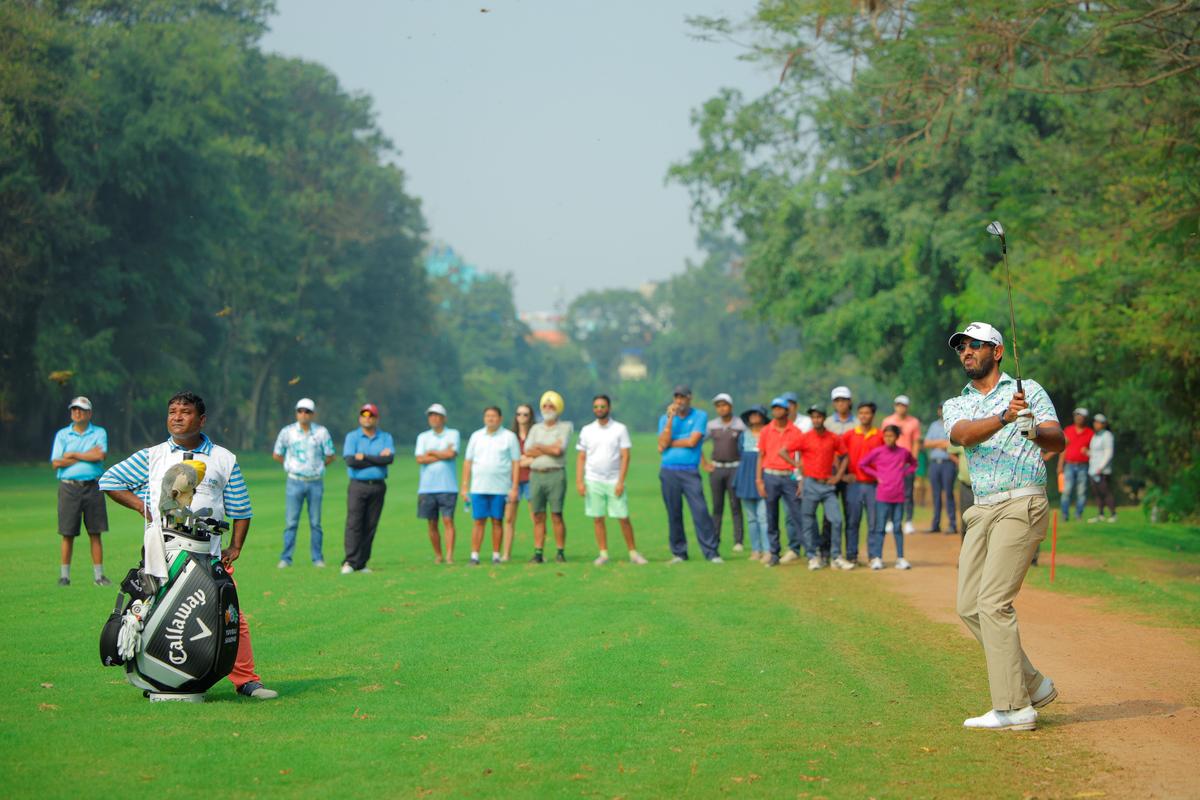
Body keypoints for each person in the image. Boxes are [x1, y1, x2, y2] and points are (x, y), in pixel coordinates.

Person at [99, 391, 277, 699]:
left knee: (229, 615)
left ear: (201, 419)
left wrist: (235, 546)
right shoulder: (152, 456)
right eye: (172, 412)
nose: (177, 417)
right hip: (163, 552)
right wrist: (144, 508)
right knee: (156, 614)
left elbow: (241, 509)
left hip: (208, 554)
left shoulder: (223, 458)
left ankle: (246, 680)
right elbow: (110, 481)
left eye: (185, 412)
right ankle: (158, 678)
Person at [943, 321, 1065, 731]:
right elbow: (962, 436)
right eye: (961, 347)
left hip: (1022, 501)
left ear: (996, 351)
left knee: (993, 602)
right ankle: (1033, 684)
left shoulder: (1027, 389)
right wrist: (1003, 416)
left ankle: (1015, 708)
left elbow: (1056, 439)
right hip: (981, 509)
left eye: (975, 346)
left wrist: (1032, 427)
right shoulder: (956, 403)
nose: (966, 352)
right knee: (968, 606)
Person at [575, 394, 647, 565]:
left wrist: (621, 481)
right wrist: (579, 481)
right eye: (596, 407)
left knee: (623, 516)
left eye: (602, 406)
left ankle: (633, 553)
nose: (599, 410)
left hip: (614, 480)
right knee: (598, 517)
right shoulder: (587, 430)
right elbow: (581, 457)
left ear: (609, 408)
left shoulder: (620, 429)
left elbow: (625, 455)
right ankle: (603, 554)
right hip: (593, 479)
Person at [657, 385, 721, 563]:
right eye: (676, 398)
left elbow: (693, 442)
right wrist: (670, 419)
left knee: (700, 511)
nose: (679, 401)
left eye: (682, 397)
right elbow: (661, 443)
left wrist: (670, 443)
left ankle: (711, 552)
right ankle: (679, 552)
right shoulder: (665, 418)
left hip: (689, 471)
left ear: (689, 398)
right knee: (674, 512)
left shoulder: (699, 416)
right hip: (669, 470)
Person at [50, 396, 110, 586]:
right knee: (67, 533)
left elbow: (100, 455)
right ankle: (64, 576)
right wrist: (87, 456)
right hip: (69, 487)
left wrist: (73, 454)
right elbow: (56, 462)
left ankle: (99, 576)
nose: (77, 412)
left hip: (93, 486)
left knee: (95, 532)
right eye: (74, 409)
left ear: (89, 413)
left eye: (82, 410)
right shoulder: (62, 435)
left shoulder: (99, 432)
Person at [272, 398, 336, 569]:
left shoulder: (321, 432)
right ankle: (286, 558)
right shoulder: (287, 432)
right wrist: (289, 465)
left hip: (315, 482)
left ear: (312, 414)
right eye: (300, 411)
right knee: (291, 522)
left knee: (315, 523)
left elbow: (330, 455)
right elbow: (277, 453)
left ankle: (317, 558)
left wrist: (318, 467)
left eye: (307, 411)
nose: (303, 414)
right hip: (294, 481)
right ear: (296, 412)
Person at [461, 407, 520, 566]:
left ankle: (496, 555)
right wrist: (465, 486)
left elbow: (516, 462)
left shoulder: (509, 437)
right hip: (479, 486)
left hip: (500, 487)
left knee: (497, 521)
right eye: (487, 416)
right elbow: (467, 462)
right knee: (478, 521)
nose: (490, 419)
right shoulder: (476, 436)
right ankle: (474, 555)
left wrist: (514, 486)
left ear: (500, 418)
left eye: (493, 416)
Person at [794, 406, 850, 571]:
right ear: (811, 419)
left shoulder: (832, 437)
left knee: (837, 520)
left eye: (819, 417)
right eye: (814, 417)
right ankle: (812, 556)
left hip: (827, 484)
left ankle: (836, 556)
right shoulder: (805, 437)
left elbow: (845, 455)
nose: (816, 420)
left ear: (824, 418)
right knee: (808, 521)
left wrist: (839, 476)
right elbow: (785, 451)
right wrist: (797, 466)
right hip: (810, 483)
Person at [341, 403, 394, 574]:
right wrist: (376, 458)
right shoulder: (352, 437)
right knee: (354, 523)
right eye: (364, 415)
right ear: (360, 418)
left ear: (376, 419)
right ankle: (350, 561)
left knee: (370, 525)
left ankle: (362, 563)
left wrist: (363, 457)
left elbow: (388, 460)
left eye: (370, 416)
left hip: (377, 486)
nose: (367, 418)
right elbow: (351, 461)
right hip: (358, 485)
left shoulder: (385, 437)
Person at [755, 397, 806, 567]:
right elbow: (761, 456)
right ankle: (774, 553)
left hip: (789, 476)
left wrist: (800, 480)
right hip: (770, 475)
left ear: (787, 411)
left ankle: (809, 551)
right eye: (774, 408)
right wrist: (759, 479)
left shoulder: (796, 431)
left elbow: (799, 457)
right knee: (771, 516)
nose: (776, 411)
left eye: (780, 408)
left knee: (797, 514)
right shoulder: (766, 431)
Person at [859, 425, 917, 570]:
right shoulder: (878, 452)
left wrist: (903, 473)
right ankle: (878, 558)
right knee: (880, 527)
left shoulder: (903, 452)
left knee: (897, 527)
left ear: (897, 437)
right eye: (886, 436)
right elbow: (862, 464)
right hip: (882, 496)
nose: (888, 439)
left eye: (891, 436)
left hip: (898, 496)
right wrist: (876, 475)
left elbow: (914, 464)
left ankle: (900, 558)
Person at [525, 391, 573, 563]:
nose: (547, 409)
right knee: (538, 515)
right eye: (545, 406)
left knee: (556, 514)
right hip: (536, 474)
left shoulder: (565, 427)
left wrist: (539, 447)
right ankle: (538, 552)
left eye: (551, 406)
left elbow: (558, 450)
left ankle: (560, 551)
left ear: (558, 408)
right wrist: (548, 447)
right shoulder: (535, 428)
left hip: (555, 474)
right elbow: (527, 450)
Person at [414, 403, 460, 564]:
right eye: (431, 415)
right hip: (427, 487)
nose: (433, 418)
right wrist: (442, 454)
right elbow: (420, 459)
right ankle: (438, 555)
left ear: (444, 418)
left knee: (448, 520)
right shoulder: (423, 437)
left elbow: (451, 454)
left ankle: (449, 555)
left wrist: (432, 452)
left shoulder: (453, 434)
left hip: (448, 486)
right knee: (431, 522)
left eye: (437, 415)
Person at [702, 392, 746, 551]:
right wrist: (704, 463)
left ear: (731, 406)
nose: (721, 408)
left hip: (735, 467)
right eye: (718, 406)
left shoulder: (740, 424)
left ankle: (738, 540)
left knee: (735, 505)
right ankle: (715, 538)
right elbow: (698, 442)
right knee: (717, 506)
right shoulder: (711, 425)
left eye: (724, 405)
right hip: (717, 468)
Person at [842, 401, 883, 566]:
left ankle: (873, 556)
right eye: (861, 413)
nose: (864, 416)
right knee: (852, 521)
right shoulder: (849, 435)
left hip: (873, 484)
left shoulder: (880, 435)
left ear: (872, 415)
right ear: (858, 415)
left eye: (867, 413)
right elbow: (838, 454)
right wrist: (843, 475)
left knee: (873, 521)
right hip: (854, 484)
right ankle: (851, 555)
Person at [820, 386, 857, 562]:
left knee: (851, 514)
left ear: (849, 402)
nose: (840, 403)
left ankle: (850, 554)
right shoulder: (827, 423)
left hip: (852, 473)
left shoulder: (857, 423)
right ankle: (826, 552)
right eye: (837, 401)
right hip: (831, 472)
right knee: (829, 515)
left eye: (843, 400)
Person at [881, 395, 922, 535]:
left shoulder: (914, 422)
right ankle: (890, 521)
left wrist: (913, 461)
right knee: (890, 493)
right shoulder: (887, 421)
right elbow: (883, 442)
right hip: (891, 463)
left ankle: (908, 521)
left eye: (903, 405)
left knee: (908, 493)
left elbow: (916, 443)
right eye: (898, 405)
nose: (900, 407)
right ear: (895, 406)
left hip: (906, 462)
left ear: (907, 407)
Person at [734, 405, 770, 560]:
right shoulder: (743, 436)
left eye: (757, 414)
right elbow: (740, 453)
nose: (754, 417)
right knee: (751, 518)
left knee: (763, 517)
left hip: (764, 477)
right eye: (751, 414)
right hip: (746, 477)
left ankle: (767, 550)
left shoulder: (768, 433)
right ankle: (756, 549)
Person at [502, 402, 535, 561]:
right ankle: (506, 554)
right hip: (513, 480)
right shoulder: (509, 436)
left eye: (525, 414)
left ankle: (538, 552)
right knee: (509, 518)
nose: (521, 417)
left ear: (530, 417)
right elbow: (506, 459)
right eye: (519, 414)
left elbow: (539, 456)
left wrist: (525, 460)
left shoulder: (535, 434)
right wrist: (522, 460)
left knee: (536, 517)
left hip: (532, 479)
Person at [923, 404, 957, 534]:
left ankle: (952, 524)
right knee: (935, 495)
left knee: (949, 493)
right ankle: (935, 524)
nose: (942, 411)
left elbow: (951, 444)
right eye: (940, 409)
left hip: (948, 463)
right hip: (934, 464)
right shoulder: (933, 425)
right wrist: (942, 443)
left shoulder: (953, 424)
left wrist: (937, 443)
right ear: (938, 411)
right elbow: (926, 443)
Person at [1058, 407, 1093, 521]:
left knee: (1081, 492)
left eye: (1080, 415)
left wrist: (1088, 453)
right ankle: (1065, 515)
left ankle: (1078, 515)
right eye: (1076, 415)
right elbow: (1063, 448)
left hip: (1083, 466)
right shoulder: (1068, 430)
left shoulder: (1090, 433)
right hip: (1069, 465)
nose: (1078, 417)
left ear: (1085, 418)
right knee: (1066, 491)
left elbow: (1095, 452)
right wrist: (1060, 464)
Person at [1087, 413, 1116, 523]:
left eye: (1098, 422)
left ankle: (1113, 514)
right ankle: (1100, 514)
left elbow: (1109, 453)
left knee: (1105, 492)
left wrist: (1101, 467)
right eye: (1095, 422)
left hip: (1102, 470)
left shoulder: (1107, 435)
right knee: (1097, 493)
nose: (1095, 424)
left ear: (1103, 424)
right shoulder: (1095, 436)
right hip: (1093, 469)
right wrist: (1087, 453)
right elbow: (1095, 453)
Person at [947, 441, 973, 536]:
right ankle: (965, 550)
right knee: (965, 520)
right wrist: (961, 462)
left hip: (987, 488)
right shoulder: (964, 438)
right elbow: (951, 453)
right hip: (967, 486)